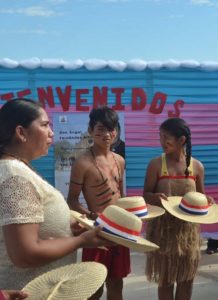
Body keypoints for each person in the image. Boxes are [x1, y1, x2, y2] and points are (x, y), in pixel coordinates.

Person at [0, 98, 109, 290]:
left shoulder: (16, 169)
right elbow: (25, 253)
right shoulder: (14, 177)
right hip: (28, 290)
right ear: (21, 133)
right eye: (44, 125)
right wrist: (80, 241)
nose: (52, 132)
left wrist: (68, 229)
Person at [67, 107, 127, 300]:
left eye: (112, 129)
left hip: (120, 230)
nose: (108, 134)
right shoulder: (82, 163)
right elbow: (72, 200)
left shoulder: (120, 160)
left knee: (117, 283)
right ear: (91, 130)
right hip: (96, 231)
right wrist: (92, 216)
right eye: (101, 129)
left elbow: (122, 195)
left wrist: (132, 216)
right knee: (94, 286)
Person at [143, 117, 207, 300]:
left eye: (167, 138)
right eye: (160, 137)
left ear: (181, 141)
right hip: (163, 234)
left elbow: (202, 198)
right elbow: (145, 194)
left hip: (189, 234)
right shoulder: (156, 164)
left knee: (187, 280)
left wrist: (208, 200)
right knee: (166, 281)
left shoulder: (197, 167)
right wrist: (154, 197)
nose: (162, 142)